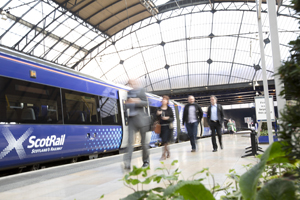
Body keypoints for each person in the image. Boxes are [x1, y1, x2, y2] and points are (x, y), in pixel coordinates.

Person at [123, 79, 150, 170]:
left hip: (141, 120)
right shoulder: (129, 92)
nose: (131, 84)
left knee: (143, 143)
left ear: (136, 82)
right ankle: (127, 164)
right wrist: (127, 103)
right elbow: (126, 105)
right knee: (130, 142)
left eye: (132, 82)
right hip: (132, 120)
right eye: (130, 83)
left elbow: (146, 103)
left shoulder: (141, 90)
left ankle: (146, 161)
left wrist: (136, 101)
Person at [155, 95, 174, 160]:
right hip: (161, 127)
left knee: (165, 141)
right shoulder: (159, 109)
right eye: (163, 99)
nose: (163, 100)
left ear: (167, 101)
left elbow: (172, 118)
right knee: (164, 141)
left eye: (165, 99)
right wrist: (157, 114)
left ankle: (163, 155)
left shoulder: (169, 109)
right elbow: (155, 118)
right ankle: (168, 152)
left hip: (168, 127)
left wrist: (167, 118)